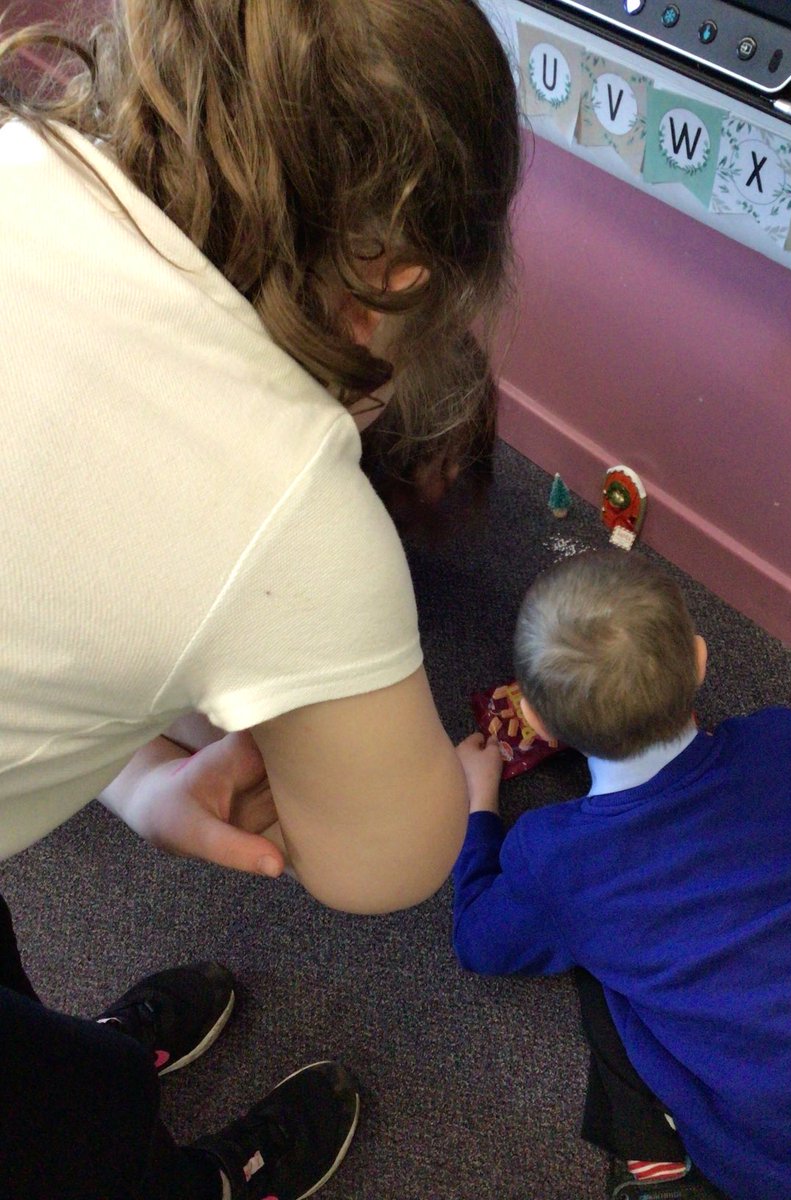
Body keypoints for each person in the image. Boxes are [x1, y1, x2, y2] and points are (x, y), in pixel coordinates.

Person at [0, 0, 520, 1195]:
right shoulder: (293, 501)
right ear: (401, 272)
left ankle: (79, 1070)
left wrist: (133, 782)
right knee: (57, 1153)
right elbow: (382, 864)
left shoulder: (25, 154)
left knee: (41, 1068)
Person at [452, 549, 791, 1200]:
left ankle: (656, 1162)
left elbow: (479, 940)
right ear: (699, 658)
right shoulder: (785, 738)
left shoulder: (553, 856)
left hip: (790, 1164)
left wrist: (480, 805)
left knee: (603, 981)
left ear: (538, 723)